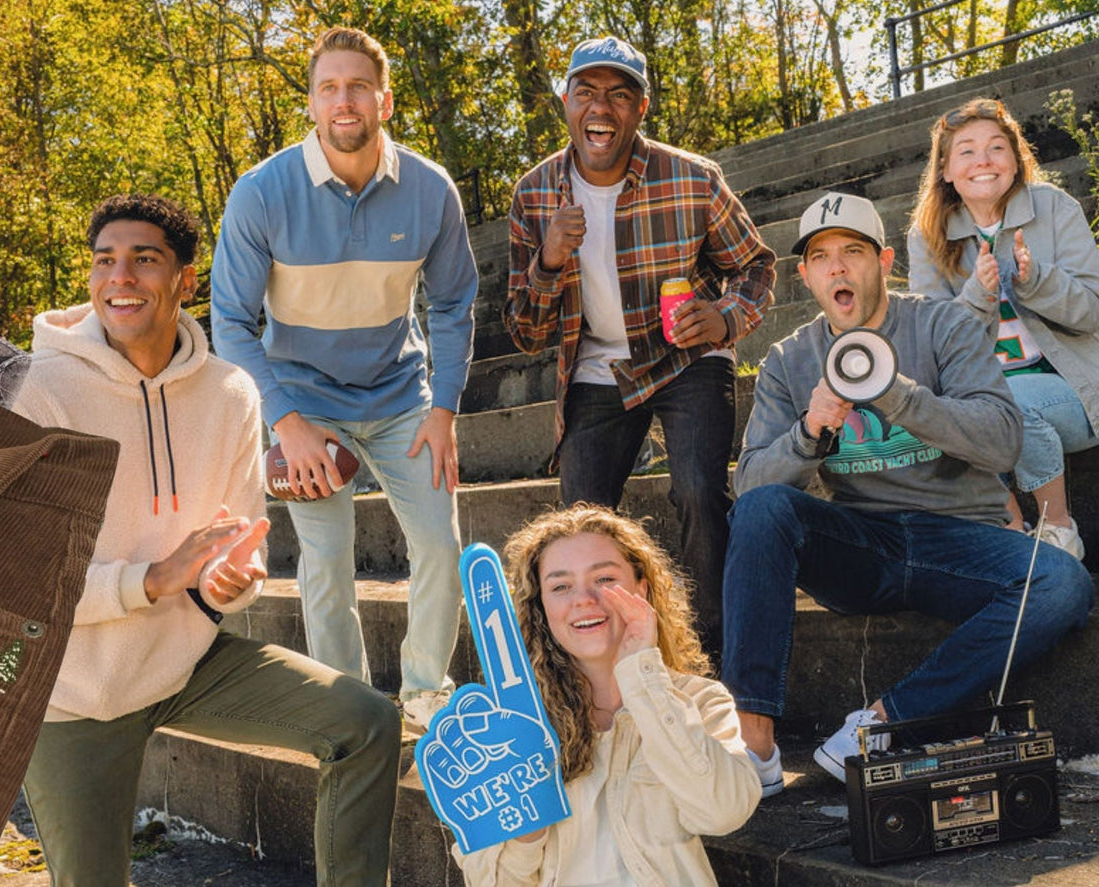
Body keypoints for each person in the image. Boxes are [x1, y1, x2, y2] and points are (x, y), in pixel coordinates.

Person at [15, 194, 402, 886]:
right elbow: (24, 576)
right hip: (73, 691)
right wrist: (154, 578)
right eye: (105, 261)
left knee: (366, 721)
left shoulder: (230, 391)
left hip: (184, 659)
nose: (120, 277)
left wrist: (233, 577)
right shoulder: (40, 392)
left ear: (186, 280)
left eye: (144, 259)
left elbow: (240, 543)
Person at [724, 191, 1093, 795]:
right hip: (864, 542)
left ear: (884, 260)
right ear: (806, 275)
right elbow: (750, 489)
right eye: (821, 257)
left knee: (1064, 584)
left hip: (961, 538)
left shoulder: (941, 323)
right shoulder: (789, 361)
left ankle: (883, 723)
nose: (838, 267)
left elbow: (1003, 443)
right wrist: (809, 432)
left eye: (853, 251)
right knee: (764, 509)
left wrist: (897, 394)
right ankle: (755, 746)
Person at [211, 27, 478, 731]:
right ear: (311, 104)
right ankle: (352, 710)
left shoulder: (429, 191)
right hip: (305, 402)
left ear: (384, 101)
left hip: (402, 397)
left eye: (358, 85)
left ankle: (425, 696)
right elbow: (231, 322)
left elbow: (452, 304)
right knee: (326, 560)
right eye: (329, 87)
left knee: (442, 546)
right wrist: (285, 421)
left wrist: (445, 407)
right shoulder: (261, 194)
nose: (344, 100)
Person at [505, 35, 775, 644]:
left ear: (641, 108)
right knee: (580, 522)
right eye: (586, 93)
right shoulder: (534, 193)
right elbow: (525, 331)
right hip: (596, 368)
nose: (601, 109)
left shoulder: (693, 178)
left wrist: (725, 318)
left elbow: (756, 266)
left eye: (619, 95)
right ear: (566, 103)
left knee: (702, 491)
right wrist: (547, 260)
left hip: (686, 358)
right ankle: (598, 660)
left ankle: (708, 656)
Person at [453, 504, 760, 886]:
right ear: (542, 607)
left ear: (642, 589)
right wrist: (525, 821)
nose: (583, 598)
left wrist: (644, 681)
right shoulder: (510, 726)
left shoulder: (699, 700)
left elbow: (724, 812)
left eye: (604, 579)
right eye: (560, 586)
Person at [907, 96, 1099, 559]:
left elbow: (1095, 309)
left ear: (1016, 161)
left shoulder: (1054, 208)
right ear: (947, 171)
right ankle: (1011, 528)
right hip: (982, 399)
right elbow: (931, 344)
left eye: (996, 147)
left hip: (1074, 389)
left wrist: (1037, 282)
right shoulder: (927, 235)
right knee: (946, 410)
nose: (983, 161)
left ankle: (1058, 528)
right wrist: (977, 296)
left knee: (1002, 404)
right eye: (967, 151)